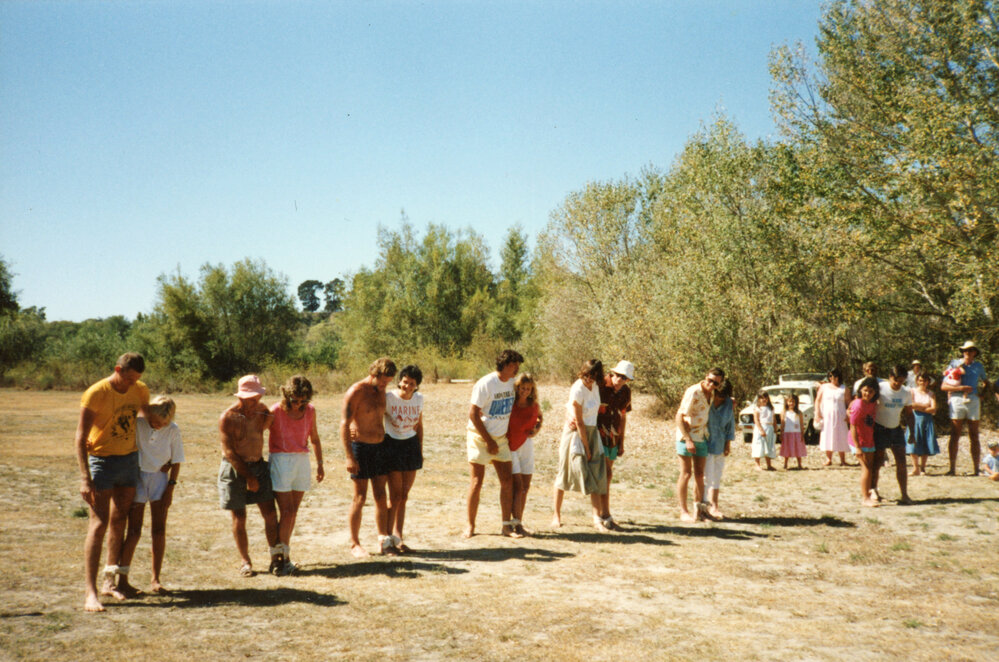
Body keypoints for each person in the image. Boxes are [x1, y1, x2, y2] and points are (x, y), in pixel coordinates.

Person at [75, 352, 150, 612]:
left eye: (137, 379)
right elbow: (80, 436)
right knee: (99, 524)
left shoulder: (139, 390)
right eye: (129, 378)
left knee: (120, 521)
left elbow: (149, 418)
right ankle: (90, 593)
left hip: (129, 461)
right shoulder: (96, 393)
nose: (132, 384)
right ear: (117, 369)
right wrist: (85, 477)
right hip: (102, 462)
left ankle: (112, 582)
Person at [114, 396, 183, 596]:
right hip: (137, 479)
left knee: (159, 530)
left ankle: (155, 579)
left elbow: (177, 459)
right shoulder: (139, 424)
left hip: (160, 480)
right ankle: (123, 578)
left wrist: (170, 487)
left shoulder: (173, 430)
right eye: (154, 421)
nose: (157, 426)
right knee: (134, 531)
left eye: (162, 423)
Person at [218, 374, 280, 577]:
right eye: (250, 398)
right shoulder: (228, 417)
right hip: (234, 468)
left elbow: (276, 422)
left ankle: (276, 558)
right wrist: (248, 477)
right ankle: (245, 561)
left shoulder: (263, 411)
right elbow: (229, 452)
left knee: (270, 513)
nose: (255, 402)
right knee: (239, 516)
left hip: (258, 465)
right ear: (241, 397)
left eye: (257, 397)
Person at [342, 358, 397, 556]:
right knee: (360, 497)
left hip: (379, 447)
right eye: (382, 381)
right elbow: (344, 423)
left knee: (381, 495)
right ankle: (354, 544)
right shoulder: (356, 391)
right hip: (361, 448)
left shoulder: (382, 391)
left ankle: (383, 540)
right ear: (373, 374)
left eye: (388, 382)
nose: (385, 385)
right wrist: (349, 456)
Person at [269, 375, 324, 574]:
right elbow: (257, 433)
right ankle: (280, 558)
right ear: (287, 395)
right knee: (286, 511)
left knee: (292, 513)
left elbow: (315, 438)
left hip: (302, 461)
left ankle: (283, 556)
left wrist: (320, 464)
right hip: (281, 460)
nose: (298, 405)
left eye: (303, 400)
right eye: (294, 400)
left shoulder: (310, 411)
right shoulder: (275, 411)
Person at [465, 350, 523, 538]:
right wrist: (488, 441)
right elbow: (473, 413)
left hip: (500, 439)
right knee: (476, 482)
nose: (517, 369)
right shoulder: (486, 383)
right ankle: (470, 526)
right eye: (514, 365)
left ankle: (506, 526)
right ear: (505, 364)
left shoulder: (512, 384)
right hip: (480, 437)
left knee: (507, 481)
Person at [553, 360, 611, 529]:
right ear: (583, 373)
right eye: (587, 376)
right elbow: (578, 421)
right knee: (565, 473)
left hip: (592, 432)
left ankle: (596, 518)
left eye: (592, 377)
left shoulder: (595, 388)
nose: (589, 380)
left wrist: (592, 442)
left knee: (597, 473)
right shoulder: (578, 388)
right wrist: (586, 447)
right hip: (576, 435)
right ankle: (556, 514)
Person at [384, 365, 425, 553]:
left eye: (412, 384)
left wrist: (420, 449)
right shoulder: (389, 398)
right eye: (405, 382)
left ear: (416, 386)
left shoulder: (419, 400)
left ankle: (398, 537)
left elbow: (419, 425)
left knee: (404, 496)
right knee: (395, 496)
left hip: (411, 446)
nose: (407, 386)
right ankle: (386, 538)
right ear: (400, 381)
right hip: (392, 445)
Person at [675, 368, 723, 522]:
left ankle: (700, 511)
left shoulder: (712, 393)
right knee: (686, 473)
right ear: (705, 377)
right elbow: (679, 416)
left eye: (715, 383)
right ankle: (683, 511)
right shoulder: (694, 391)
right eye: (709, 380)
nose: (711, 384)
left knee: (700, 474)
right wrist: (687, 439)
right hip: (686, 437)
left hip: (701, 437)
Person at [941, 341, 991, 476]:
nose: (966, 353)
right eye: (964, 350)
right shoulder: (954, 363)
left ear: (975, 352)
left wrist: (981, 395)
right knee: (955, 434)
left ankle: (976, 469)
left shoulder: (978, 366)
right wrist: (960, 388)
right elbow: (944, 386)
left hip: (973, 400)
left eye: (969, 350)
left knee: (974, 435)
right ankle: (952, 469)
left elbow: (986, 382)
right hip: (957, 399)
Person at [595, 360, 634, 531]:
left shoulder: (625, 392)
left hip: (613, 437)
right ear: (612, 373)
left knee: (607, 476)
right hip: (597, 435)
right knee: (604, 474)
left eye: (624, 378)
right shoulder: (601, 385)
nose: (619, 380)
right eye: (618, 375)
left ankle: (604, 513)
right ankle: (603, 514)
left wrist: (621, 442)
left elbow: (623, 416)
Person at [871, 365, 914, 505]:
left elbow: (909, 413)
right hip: (879, 428)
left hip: (896, 429)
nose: (898, 384)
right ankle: (874, 491)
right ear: (890, 377)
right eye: (896, 380)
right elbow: (867, 403)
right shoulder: (880, 387)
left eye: (901, 381)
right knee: (877, 462)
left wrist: (912, 432)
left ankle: (904, 494)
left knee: (901, 462)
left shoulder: (906, 392)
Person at [507, 372, 542, 536]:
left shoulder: (533, 404)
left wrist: (536, 430)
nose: (525, 391)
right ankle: (513, 523)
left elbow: (540, 418)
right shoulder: (510, 404)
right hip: (511, 446)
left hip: (527, 445)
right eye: (522, 388)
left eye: (528, 389)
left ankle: (519, 522)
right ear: (517, 387)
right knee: (517, 486)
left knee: (526, 487)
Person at [703, 379, 734, 519]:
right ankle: (703, 508)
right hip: (705, 444)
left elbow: (730, 425)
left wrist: (728, 444)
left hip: (720, 444)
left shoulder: (729, 404)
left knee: (716, 477)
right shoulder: (706, 401)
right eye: (718, 394)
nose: (720, 398)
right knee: (705, 478)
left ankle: (714, 506)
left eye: (723, 396)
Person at [849, 377, 880, 507]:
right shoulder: (858, 404)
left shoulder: (873, 403)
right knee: (866, 469)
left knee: (871, 469)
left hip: (869, 440)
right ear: (860, 390)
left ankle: (870, 493)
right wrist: (857, 447)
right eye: (865, 390)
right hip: (858, 441)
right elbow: (853, 426)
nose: (867, 393)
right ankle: (865, 498)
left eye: (871, 391)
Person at [815, 368, 852, 466]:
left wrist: (849, 414)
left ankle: (843, 460)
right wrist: (817, 413)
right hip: (827, 415)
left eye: (833, 376)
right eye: (830, 376)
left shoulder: (844, 388)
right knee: (828, 435)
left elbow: (849, 403)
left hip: (840, 415)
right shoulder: (824, 387)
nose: (832, 378)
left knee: (841, 435)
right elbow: (818, 400)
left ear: (838, 377)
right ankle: (828, 459)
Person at [906, 372, 939, 476]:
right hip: (915, 419)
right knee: (913, 443)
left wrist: (920, 407)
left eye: (924, 381)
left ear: (928, 382)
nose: (922, 383)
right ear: (917, 381)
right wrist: (926, 406)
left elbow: (934, 409)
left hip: (927, 420)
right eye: (920, 380)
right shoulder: (912, 391)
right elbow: (912, 405)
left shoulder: (931, 394)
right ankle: (915, 468)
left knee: (926, 442)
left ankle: (923, 468)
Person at [751, 390, 777, 471]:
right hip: (760, 428)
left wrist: (775, 428)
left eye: (765, 397)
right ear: (758, 399)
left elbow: (774, 419)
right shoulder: (757, 409)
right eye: (761, 398)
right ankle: (757, 464)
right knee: (759, 445)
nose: (764, 399)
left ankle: (769, 465)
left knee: (768, 446)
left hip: (769, 428)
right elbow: (756, 420)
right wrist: (761, 430)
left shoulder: (771, 408)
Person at [780, 393, 807, 470]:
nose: (791, 403)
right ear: (787, 402)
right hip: (787, 433)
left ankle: (799, 464)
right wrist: (781, 433)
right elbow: (782, 424)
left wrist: (802, 434)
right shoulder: (784, 412)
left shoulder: (799, 413)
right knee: (787, 448)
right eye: (790, 401)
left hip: (797, 433)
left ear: (796, 403)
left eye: (793, 402)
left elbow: (801, 424)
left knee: (798, 448)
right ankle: (785, 464)